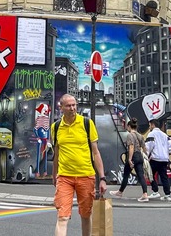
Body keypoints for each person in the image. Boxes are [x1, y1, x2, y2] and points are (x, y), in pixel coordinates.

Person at [52, 94, 107, 236]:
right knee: (62, 217)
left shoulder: (87, 124)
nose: (72, 108)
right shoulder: (56, 127)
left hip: (86, 176)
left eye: (74, 105)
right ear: (61, 107)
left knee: (85, 215)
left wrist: (102, 178)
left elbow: (96, 153)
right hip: (64, 177)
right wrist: (54, 175)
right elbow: (56, 154)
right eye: (68, 106)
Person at [111, 120, 149, 201]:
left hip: (133, 156)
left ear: (129, 126)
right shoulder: (140, 136)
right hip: (139, 156)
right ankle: (145, 194)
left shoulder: (129, 135)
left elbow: (131, 147)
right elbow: (144, 148)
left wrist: (129, 159)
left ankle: (120, 192)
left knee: (126, 174)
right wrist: (147, 156)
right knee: (141, 175)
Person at [146, 118, 171, 202]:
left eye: (149, 125)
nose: (149, 127)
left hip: (155, 158)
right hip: (164, 159)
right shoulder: (164, 135)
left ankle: (155, 191)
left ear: (152, 124)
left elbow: (148, 146)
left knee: (150, 175)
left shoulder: (151, 134)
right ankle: (167, 194)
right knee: (164, 177)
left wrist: (146, 156)